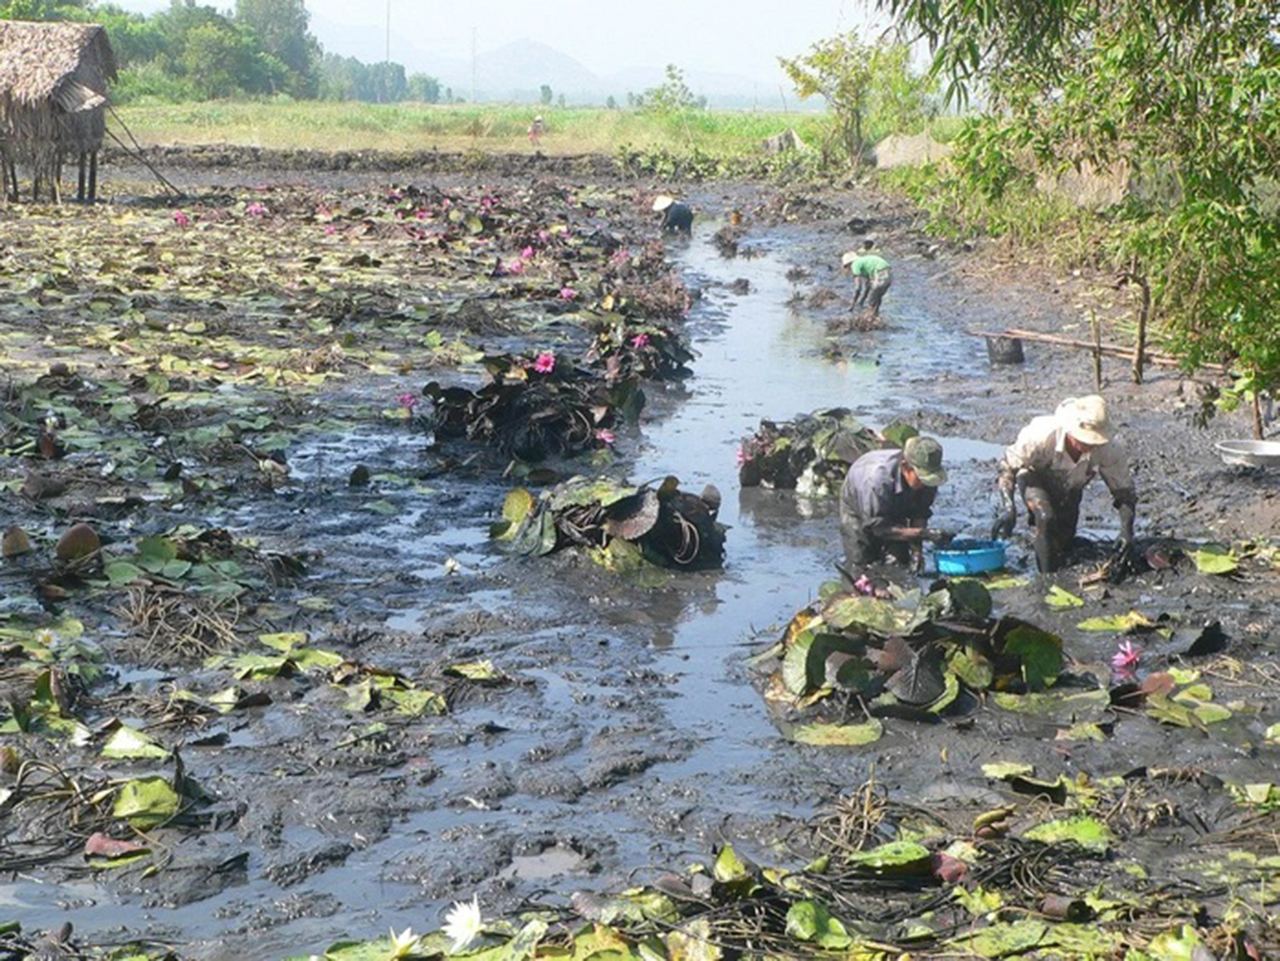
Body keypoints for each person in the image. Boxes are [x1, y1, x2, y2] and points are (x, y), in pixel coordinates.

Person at [991, 395, 1137, 573]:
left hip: (1071, 486)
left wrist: (1126, 531)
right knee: (1046, 517)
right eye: (1083, 440)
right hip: (1033, 475)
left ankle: (1046, 548)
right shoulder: (1039, 436)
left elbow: (1124, 492)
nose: (1088, 445)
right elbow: (1007, 467)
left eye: (1093, 441)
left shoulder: (1109, 449)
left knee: (1062, 543)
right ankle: (1046, 578)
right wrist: (1009, 509)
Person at [839, 435, 952, 569]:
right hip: (860, 508)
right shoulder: (876, 481)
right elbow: (877, 528)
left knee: (900, 562)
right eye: (921, 479)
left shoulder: (928, 480)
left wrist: (917, 552)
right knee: (861, 563)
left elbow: (920, 512)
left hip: (898, 503)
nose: (926, 485)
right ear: (906, 468)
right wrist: (924, 534)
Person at [842, 239, 892, 317]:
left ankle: (869, 318)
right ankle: (875, 316)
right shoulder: (864, 263)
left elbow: (858, 288)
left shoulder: (855, 264)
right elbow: (868, 287)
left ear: (849, 263)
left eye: (846, 267)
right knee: (877, 298)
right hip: (888, 274)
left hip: (879, 273)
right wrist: (861, 301)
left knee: (871, 301)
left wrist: (852, 304)